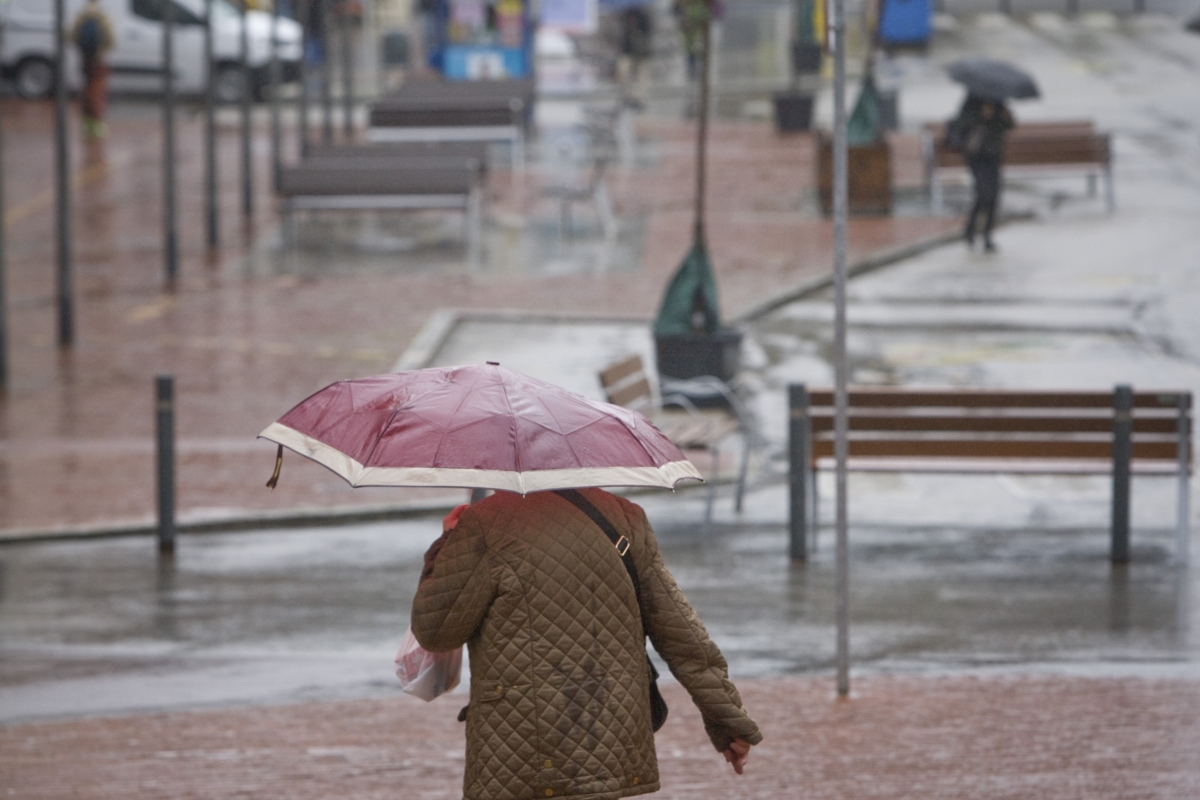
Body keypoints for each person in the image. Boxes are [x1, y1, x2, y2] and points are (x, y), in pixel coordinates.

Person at [411, 488, 762, 800]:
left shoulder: (484, 523)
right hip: (610, 733)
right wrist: (728, 720)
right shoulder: (625, 516)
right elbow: (683, 635)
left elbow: (436, 631)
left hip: (522, 744)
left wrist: (446, 546)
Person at [951, 93, 1014, 252]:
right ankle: (971, 231)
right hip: (977, 156)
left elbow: (1009, 125)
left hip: (994, 155)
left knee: (994, 195)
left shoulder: (999, 101)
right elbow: (962, 124)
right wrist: (982, 116)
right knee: (982, 193)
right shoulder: (972, 101)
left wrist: (1003, 116)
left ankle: (987, 236)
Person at [71, 0, 115, 139]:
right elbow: (111, 39)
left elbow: (72, 36)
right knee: (97, 93)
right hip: (99, 59)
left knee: (86, 91)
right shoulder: (103, 17)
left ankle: (87, 126)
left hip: (85, 59)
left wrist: (83, 50)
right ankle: (96, 127)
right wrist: (102, 51)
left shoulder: (81, 16)